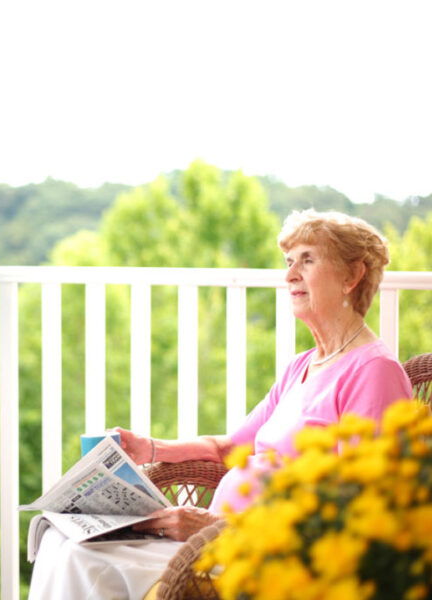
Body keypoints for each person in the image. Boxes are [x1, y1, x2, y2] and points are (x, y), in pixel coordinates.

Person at [28, 209, 413, 599]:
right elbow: (229, 448)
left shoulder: (375, 372)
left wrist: (218, 528)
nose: (290, 274)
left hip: (263, 560)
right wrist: (151, 447)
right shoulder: (303, 365)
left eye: (307, 259)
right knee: (64, 543)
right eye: (289, 261)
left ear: (352, 275)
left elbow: (361, 514)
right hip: (214, 542)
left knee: (83, 560)